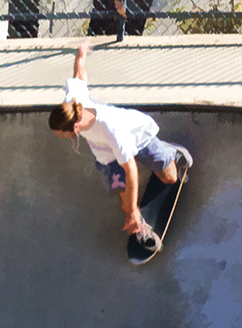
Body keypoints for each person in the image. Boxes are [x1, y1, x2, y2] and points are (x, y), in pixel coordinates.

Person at [48, 44, 192, 244]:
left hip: (138, 137)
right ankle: (142, 230)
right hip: (108, 156)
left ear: (75, 129)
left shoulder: (110, 129)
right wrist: (81, 55)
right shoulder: (72, 102)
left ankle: (170, 152)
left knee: (170, 179)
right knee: (125, 204)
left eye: (60, 134)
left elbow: (130, 168)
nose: (58, 137)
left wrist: (134, 209)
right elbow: (79, 77)